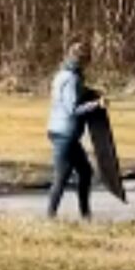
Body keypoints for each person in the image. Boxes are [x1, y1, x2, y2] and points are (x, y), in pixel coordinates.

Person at [46, 38, 105, 220]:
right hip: (66, 133)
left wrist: (90, 92)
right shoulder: (71, 78)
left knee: (85, 172)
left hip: (58, 130)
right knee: (62, 176)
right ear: (82, 60)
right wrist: (96, 104)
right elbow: (72, 109)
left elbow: (73, 94)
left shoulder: (62, 74)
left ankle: (85, 214)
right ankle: (51, 217)